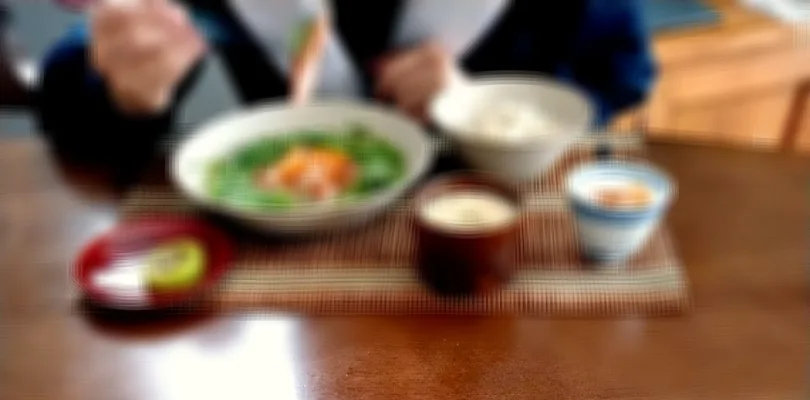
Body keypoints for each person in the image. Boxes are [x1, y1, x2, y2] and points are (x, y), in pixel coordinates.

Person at [38, 0, 655, 167]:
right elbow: (67, 92)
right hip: (280, 267)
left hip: (491, 247)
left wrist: (486, 109)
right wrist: (118, 87)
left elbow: (622, 75)